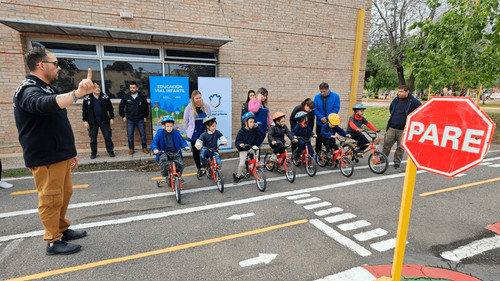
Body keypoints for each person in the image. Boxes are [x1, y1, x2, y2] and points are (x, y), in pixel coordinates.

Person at [13, 46, 94, 255]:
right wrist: (76, 94)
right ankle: (52, 240)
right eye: (55, 64)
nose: (58, 68)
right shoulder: (28, 89)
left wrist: (70, 151)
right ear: (41, 65)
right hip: (45, 156)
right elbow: (43, 104)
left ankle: (62, 228)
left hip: (60, 153)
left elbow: (56, 120)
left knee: (64, 194)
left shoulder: (46, 87)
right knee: (50, 198)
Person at [383, 86, 422, 169]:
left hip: (404, 129)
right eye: (399, 91)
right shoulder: (396, 100)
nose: (399, 93)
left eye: (401, 92)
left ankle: (397, 162)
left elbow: (421, 110)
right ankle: (382, 159)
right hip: (392, 127)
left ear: (407, 91)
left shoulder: (413, 101)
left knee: (400, 147)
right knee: (386, 145)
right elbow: (391, 109)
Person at [151, 116, 189, 182]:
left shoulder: (176, 133)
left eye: (171, 126)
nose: (169, 128)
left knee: (180, 164)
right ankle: (165, 176)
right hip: (163, 152)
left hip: (175, 152)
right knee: (163, 162)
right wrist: (155, 149)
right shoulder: (159, 133)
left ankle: (178, 175)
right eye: (167, 126)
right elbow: (154, 142)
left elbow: (181, 140)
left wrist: (185, 146)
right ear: (163, 126)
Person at [82, 82, 115, 159]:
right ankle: (93, 153)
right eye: (96, 87)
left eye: (99, 87)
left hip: (104, 121)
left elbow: (110, 108)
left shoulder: (105, 97)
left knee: (107, 137)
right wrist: (85, 121)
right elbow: (84, 110)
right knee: (93, 138)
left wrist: (112, 118)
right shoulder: (87, 98)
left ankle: (111, 152)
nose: (98, 89)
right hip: (93, 122)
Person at [184, 90, 212, 177]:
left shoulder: (206, 106)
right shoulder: (189, 107)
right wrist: (189, 130)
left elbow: (210, 117)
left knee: (207, 149)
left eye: (199, 98)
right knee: (196, 152)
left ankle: (208, 166)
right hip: (195, 132)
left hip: (205, 131)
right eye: (196, 98)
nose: (198, 100)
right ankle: (199, 168)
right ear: (193, 98)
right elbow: (186, 120)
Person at [119, 82, 149, 155]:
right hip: (130, 119)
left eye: (133, 87)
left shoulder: (141, 96)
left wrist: (145, 116)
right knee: (130, 135)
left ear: (137, 88)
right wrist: (123, 116)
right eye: (131, 88)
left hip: (140, 118)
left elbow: (146, 107)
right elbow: (121, 107)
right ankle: (131, 149)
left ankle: (144, 148)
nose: (132, 89)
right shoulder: (126, 96)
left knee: (143, 134)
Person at [233, 112, 264, 183]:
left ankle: (255, 163)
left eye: (253, 122)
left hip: (250, 147)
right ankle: (238, 175)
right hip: (243, 149)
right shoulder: (241, 131)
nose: (252, 123)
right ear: (245, 122)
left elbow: (261, 136)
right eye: (250, 122)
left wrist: (258, 128)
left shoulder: (254, 129)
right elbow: (237, 141)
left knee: (256, 148)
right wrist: (240, 144)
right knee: (241, 164)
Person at [313, 82, 340, 153]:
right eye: (321, 91)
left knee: (331, 139)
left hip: (331, 123)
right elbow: (315, 108)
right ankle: (318, 154)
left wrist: (327, 118)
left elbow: (336, 109)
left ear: (328, 89)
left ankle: (332, 154)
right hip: (320, 122)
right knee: (318, 140)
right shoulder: (316, 97)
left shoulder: (336, 96)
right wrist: (321, 117)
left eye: (324, 91)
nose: (322, 93)